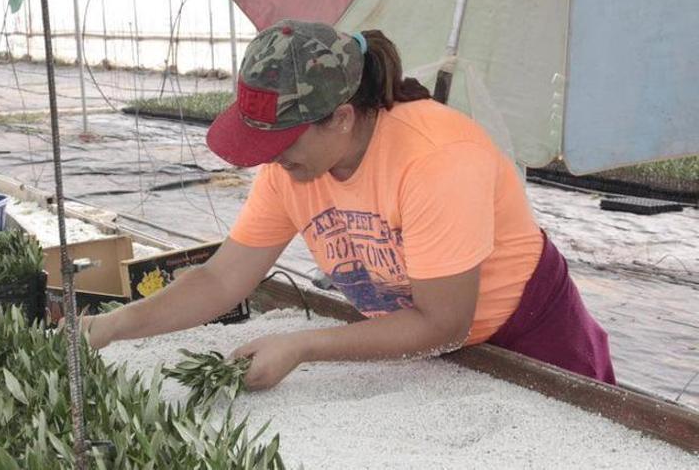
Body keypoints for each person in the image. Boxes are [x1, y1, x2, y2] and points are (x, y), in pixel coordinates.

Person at [78, 19, 615, 389]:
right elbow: (222, 281)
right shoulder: (292, 170)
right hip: (418, 347)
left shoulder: (436, 159)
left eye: (281, 142)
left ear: (341, 117)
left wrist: (302, 345)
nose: (272, 159)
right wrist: (112, 326)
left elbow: (444, 322)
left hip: (526, 339)